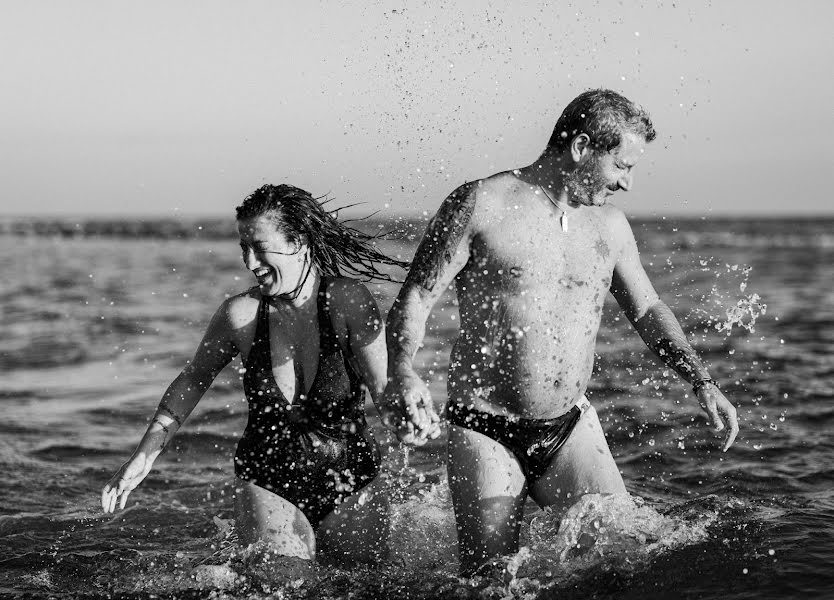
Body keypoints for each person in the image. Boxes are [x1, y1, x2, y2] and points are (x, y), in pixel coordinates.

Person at [381, 89, 740, 576]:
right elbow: (416, 298)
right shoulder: (482, 204)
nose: (628, 183)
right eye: (621, 166)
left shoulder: (610, 227)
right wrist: (402, 371)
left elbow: (648, 308)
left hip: (570, 426)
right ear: (581, 147)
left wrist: (702, 380)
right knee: (491, 582)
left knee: (630, 558)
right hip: (486, 428)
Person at [101, 184, 407, 564]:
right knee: (285, 585)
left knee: (367, 585)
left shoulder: (348, 301)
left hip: (352, 474)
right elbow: (193, 379)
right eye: (243, 247)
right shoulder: (240, 315)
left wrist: (409, 415)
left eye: (259, 247)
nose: (249, 261)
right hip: (268, 478)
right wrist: (144, 454)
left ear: (299, 241)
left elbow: (384, 389)